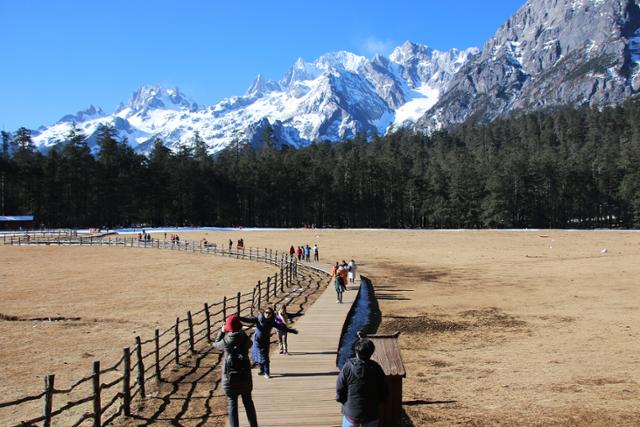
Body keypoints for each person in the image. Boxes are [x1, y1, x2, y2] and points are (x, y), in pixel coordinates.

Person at [211, 315, 258, 427]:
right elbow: (250, 343)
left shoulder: (226, 341)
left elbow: (215, 345)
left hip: (229, 379)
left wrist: (222, 332)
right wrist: (241, 331)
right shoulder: (244, 339)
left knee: (232, 404)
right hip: (245, 377)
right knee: (248, 403)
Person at [336, 338, 388, 427]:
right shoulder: (376, 368)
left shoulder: (347, 367)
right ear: (371, 352)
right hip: (371, 413)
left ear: (356, 352)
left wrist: (342, 400)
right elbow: (384, 391)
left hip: (351, 413)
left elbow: (340, 388)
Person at [239, 307, 298, 378]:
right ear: (264, 313)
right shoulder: (258, 319)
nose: (267, 314)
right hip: (257, 341)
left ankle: (266, 372)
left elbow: (281, 327)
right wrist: (239, 318)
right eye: (266, 312)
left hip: (265, 341)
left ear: (272, 314)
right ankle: (263, 371)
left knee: (265, 357)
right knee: (259, 356)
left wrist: (291, 330)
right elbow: (248, 320)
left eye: (269, 313)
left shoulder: (271, 322)